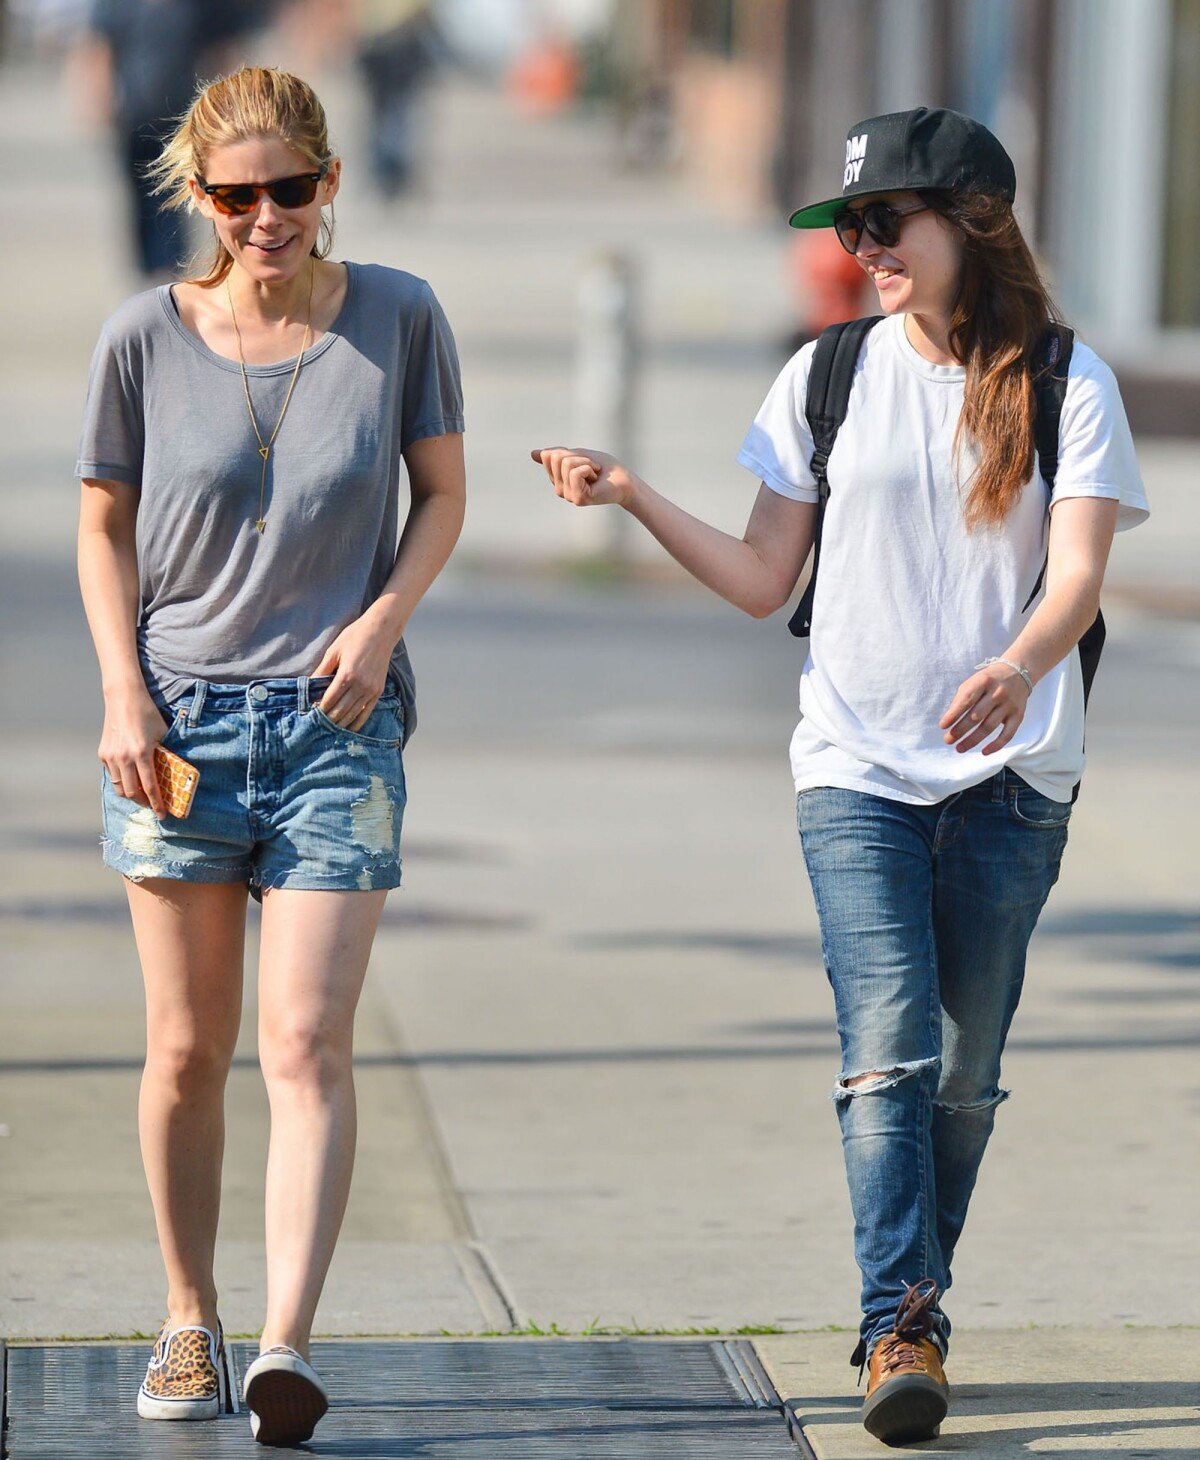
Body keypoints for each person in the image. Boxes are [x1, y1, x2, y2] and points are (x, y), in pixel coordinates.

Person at [532, 107, 1147, 1445]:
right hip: (856, 768)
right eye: (851, 227)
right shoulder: (828, 376)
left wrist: (1020, 663)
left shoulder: (1065, 378)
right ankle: (899, 1326)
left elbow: (1085, 571)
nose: (863, 248)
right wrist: (634, 495)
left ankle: (910, 1301)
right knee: (888, 1056)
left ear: (971, 227)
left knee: (962, 1078)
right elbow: (765, 579)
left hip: (1011, 777)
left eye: (886, 223)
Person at [76, 64, 465, 1445]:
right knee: (188, 1049)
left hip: (337, 730)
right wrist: (123, 693)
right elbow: (103, 527)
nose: (264, 218)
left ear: (328, 184)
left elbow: (442, 496)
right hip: (177, 727)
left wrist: (381, 622)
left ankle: (286, 1344)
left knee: (306, 1039)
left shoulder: (400, 319)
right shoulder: (143, 335)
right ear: (200, 198)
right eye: (235, 198)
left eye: (288, 190)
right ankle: (191, 1317)